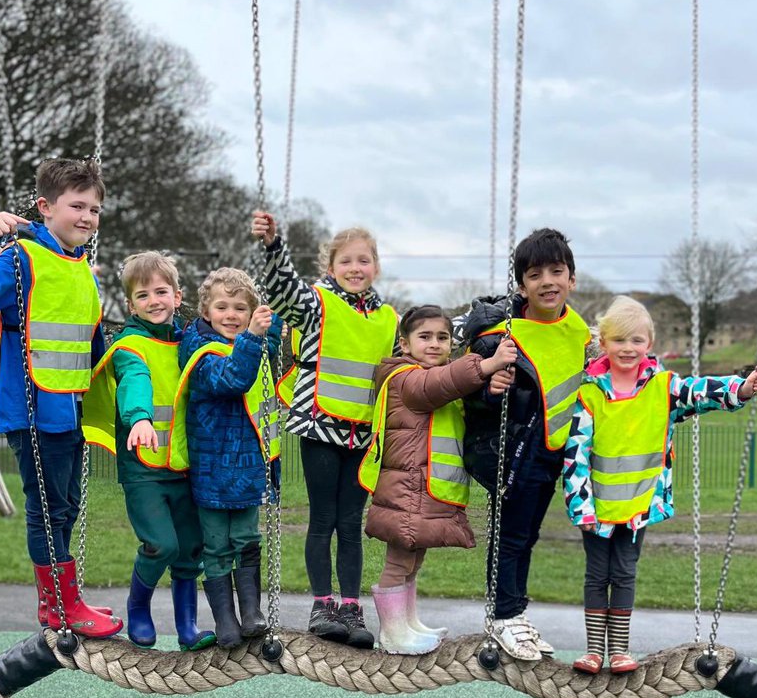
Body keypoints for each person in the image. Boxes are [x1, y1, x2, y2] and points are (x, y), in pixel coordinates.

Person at [0, 157, 122, 638]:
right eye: (77, 206)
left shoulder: (81, 265)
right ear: (45, 207)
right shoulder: (22, 258)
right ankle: (59, 607)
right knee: (46, 507)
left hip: (70, 406)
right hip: (33, 405)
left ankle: (66, 601)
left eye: (95, 209)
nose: (87, 217)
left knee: (66, 506)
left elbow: (89, 341)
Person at [563, 295, 757, 674]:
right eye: (620, 340)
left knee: (624, 572)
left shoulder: (663, 386)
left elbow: (700, 392)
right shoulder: (590, 393)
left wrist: (741, 389)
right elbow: (576, 453)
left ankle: (620, 650)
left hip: (639, 506)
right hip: (598, 507)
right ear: (603, 343)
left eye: (637, 341)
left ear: (649, 344)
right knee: (597, 574)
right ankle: (594, 650)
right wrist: (581, 505)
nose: (628, 348)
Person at [252, 210, 397, 649]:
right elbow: (281, 290)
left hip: (362, 433)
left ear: (376, 266)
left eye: (364, 261)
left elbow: (426, 344)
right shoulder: (315, 303)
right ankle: (322, 605)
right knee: (323, 518)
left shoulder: (387, 317)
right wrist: (274, 246)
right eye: (346, 262)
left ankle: (350, 608)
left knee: (351, 522)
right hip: (318, 425)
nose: (356, 269)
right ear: (330, 268)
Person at [458, 228, 591, 662]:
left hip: (555, 450)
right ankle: (503, 615)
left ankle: (515, 613)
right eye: (536, 275)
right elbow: (470, 389)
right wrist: (488, 387)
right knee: (511, 534)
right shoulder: (502, 334)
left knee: (528, 534)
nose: (548, 282)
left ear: (572, 279)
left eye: (557, 271)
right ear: (521, 285)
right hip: (513, 448)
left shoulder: (579, 331)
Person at [360, 305, 517, 653]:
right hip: (407, 488)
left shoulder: (438, 375)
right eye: (425, 337)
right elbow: (438, 385)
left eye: (443, 337)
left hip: (424, 488)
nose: (434, 344)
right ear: (404, 344)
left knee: (414, 558)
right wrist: (487, 363)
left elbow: (454, 392)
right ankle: (392, 632)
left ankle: (408, 622)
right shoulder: (405, 377)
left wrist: (492, 386)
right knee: (399, 560)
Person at [81, 252, 215, 651]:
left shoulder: (190, 343)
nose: (154, 301)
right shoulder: (130, 345)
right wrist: (138, 418)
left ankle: (187, 627)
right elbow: (133, 381)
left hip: (184, 465)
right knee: (162, 544)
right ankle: (138, 607)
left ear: (177, 296)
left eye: (161, 292)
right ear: (130, 305)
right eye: (144, 295)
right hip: (144, 468)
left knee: (191, 548)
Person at [178, 267, 282, 648]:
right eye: (222, 306)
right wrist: (256, 336)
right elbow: (231, 380)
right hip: (210, 468)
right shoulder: (199, 350)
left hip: (249, 465)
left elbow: (265, 350)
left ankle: (251, 611)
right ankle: (225, 619)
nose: (231, 315)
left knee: (246, 537)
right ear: (205, 312)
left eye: (241, 307)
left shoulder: (255, 345)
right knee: (217, 544)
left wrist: (268, 327)